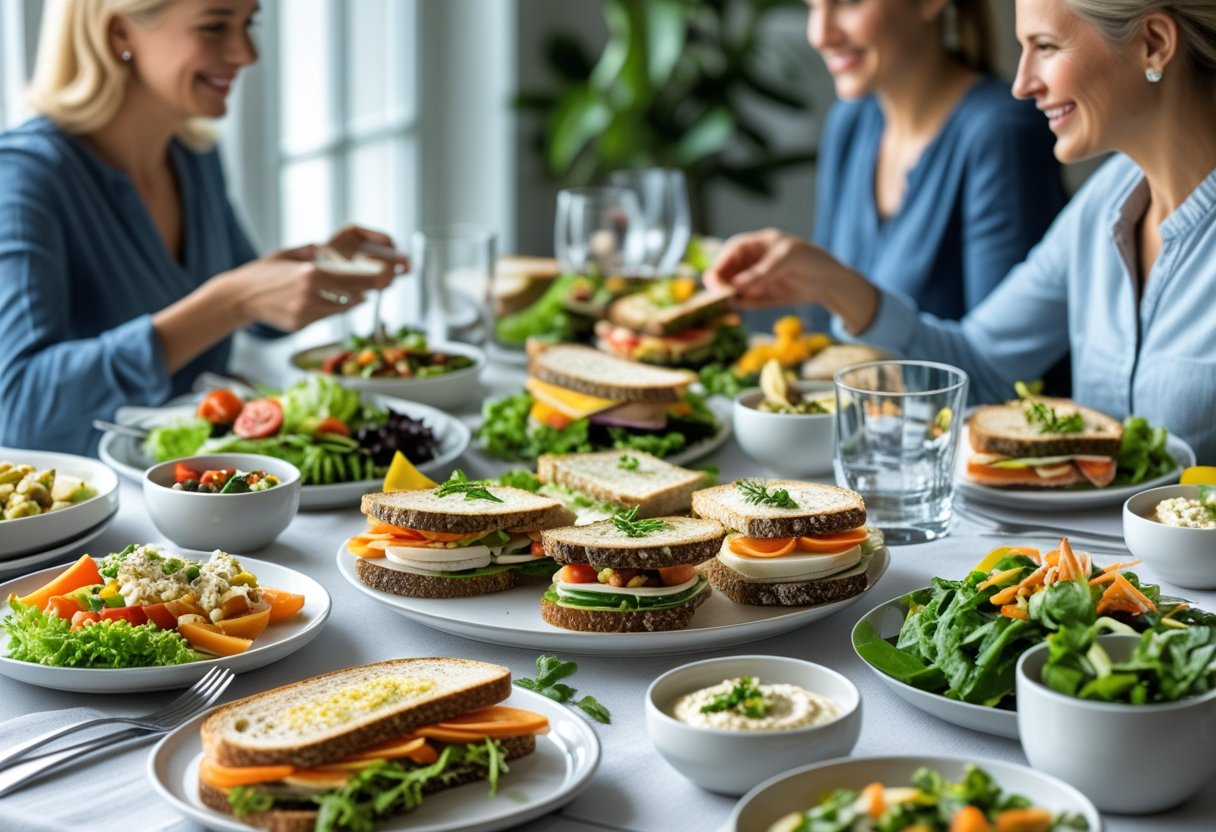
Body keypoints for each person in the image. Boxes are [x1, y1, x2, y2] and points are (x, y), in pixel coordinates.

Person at [706, 0, 1216, 461]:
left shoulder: (1001, 133)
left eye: (1045, 47)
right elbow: (982, 366)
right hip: (1091, 561)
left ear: (1154, 44)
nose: (1021, 84)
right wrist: (833, 284)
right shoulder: (1102, 206)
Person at [0, 0, 407, 455]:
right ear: (119, 34)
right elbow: (17, 407)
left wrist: (317, 270)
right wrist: (232, 301)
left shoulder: (192, 156)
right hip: (100, 510)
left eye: (247, 22)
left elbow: (250, 309)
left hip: (207, 493)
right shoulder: (25, 176)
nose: (246, 52)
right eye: (215, 26)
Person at [754, 0, 1064, 335]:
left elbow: (1004, 360)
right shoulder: (851, 121)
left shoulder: (1001, 134)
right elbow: (823, 322)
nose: (819, 35)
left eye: (848, 3)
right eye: (812, 6)